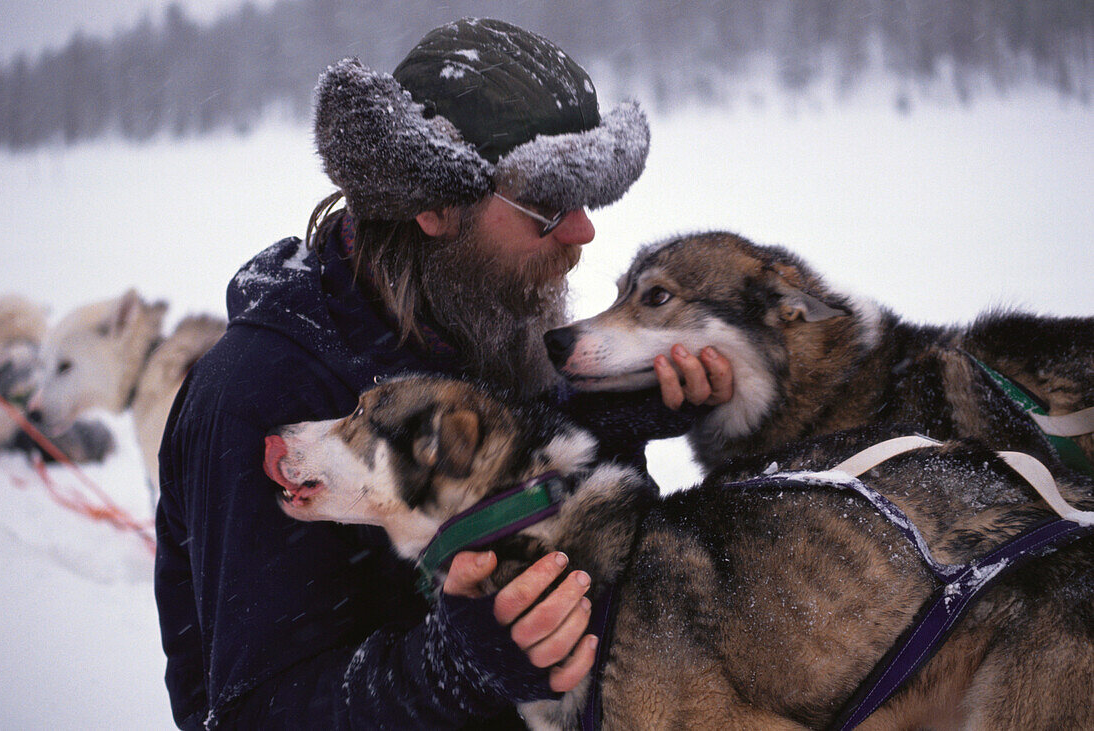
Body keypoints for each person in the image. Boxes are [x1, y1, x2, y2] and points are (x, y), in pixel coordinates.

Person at [154, 18, 733, 730]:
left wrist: (610, 427)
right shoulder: (262, 393)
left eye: (586, 203)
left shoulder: (492, 313)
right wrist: (452, 671)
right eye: (547, 206)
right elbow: (249, 712)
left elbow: (546, 543)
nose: (582, 232)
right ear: (433, 207)